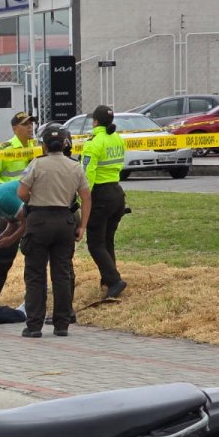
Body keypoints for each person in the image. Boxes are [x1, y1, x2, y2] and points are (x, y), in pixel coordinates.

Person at [18, 124, 91, 338]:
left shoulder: (36, 164)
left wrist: (34, 199)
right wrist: (82, 226)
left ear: (45, 145)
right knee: (62, 274)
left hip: (39, 221)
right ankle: (62, 324)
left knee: (35, 275)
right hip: (64, 221)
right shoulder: (75, 166)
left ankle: (34, 326)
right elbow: (86, 198)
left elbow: (21, 192)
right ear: (66, 144)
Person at [0, 112, 39, 298]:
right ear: (15, 128)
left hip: (33, 206)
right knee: (4, 253)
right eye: (25, 124)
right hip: (8, 206)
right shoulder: (5, 148)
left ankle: (33, 295)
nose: (30, 127)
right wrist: (7, 192)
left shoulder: (36, 147)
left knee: (35, 251)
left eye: (31, 124)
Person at [81, 105, 128, 300]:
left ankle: (114, 280)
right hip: (117, 192)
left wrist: (84, 198)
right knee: (107, 240)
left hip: (100, 195)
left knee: (95, 243)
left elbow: (87, 174)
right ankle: (108, 279)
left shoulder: (93, 143)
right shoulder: (117, 138)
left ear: (95, 122)